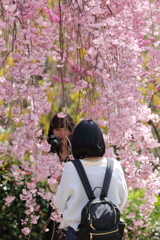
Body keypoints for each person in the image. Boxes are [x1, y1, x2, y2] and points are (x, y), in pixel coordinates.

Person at [54, 119, 128, 240]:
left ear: (76, 142)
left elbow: (59, 203)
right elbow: (122, 200)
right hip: (109, 233)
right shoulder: (114, 165)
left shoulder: (71, 168)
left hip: (78, 232)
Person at [45, 112, 75, 240]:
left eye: (66, 130)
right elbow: (40, 179)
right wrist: (43, 155)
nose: (62, 134)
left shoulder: (77, 151)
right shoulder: (48, 152)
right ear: (52, 130)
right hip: (54, 203)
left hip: (74, 203)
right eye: (58, 130)